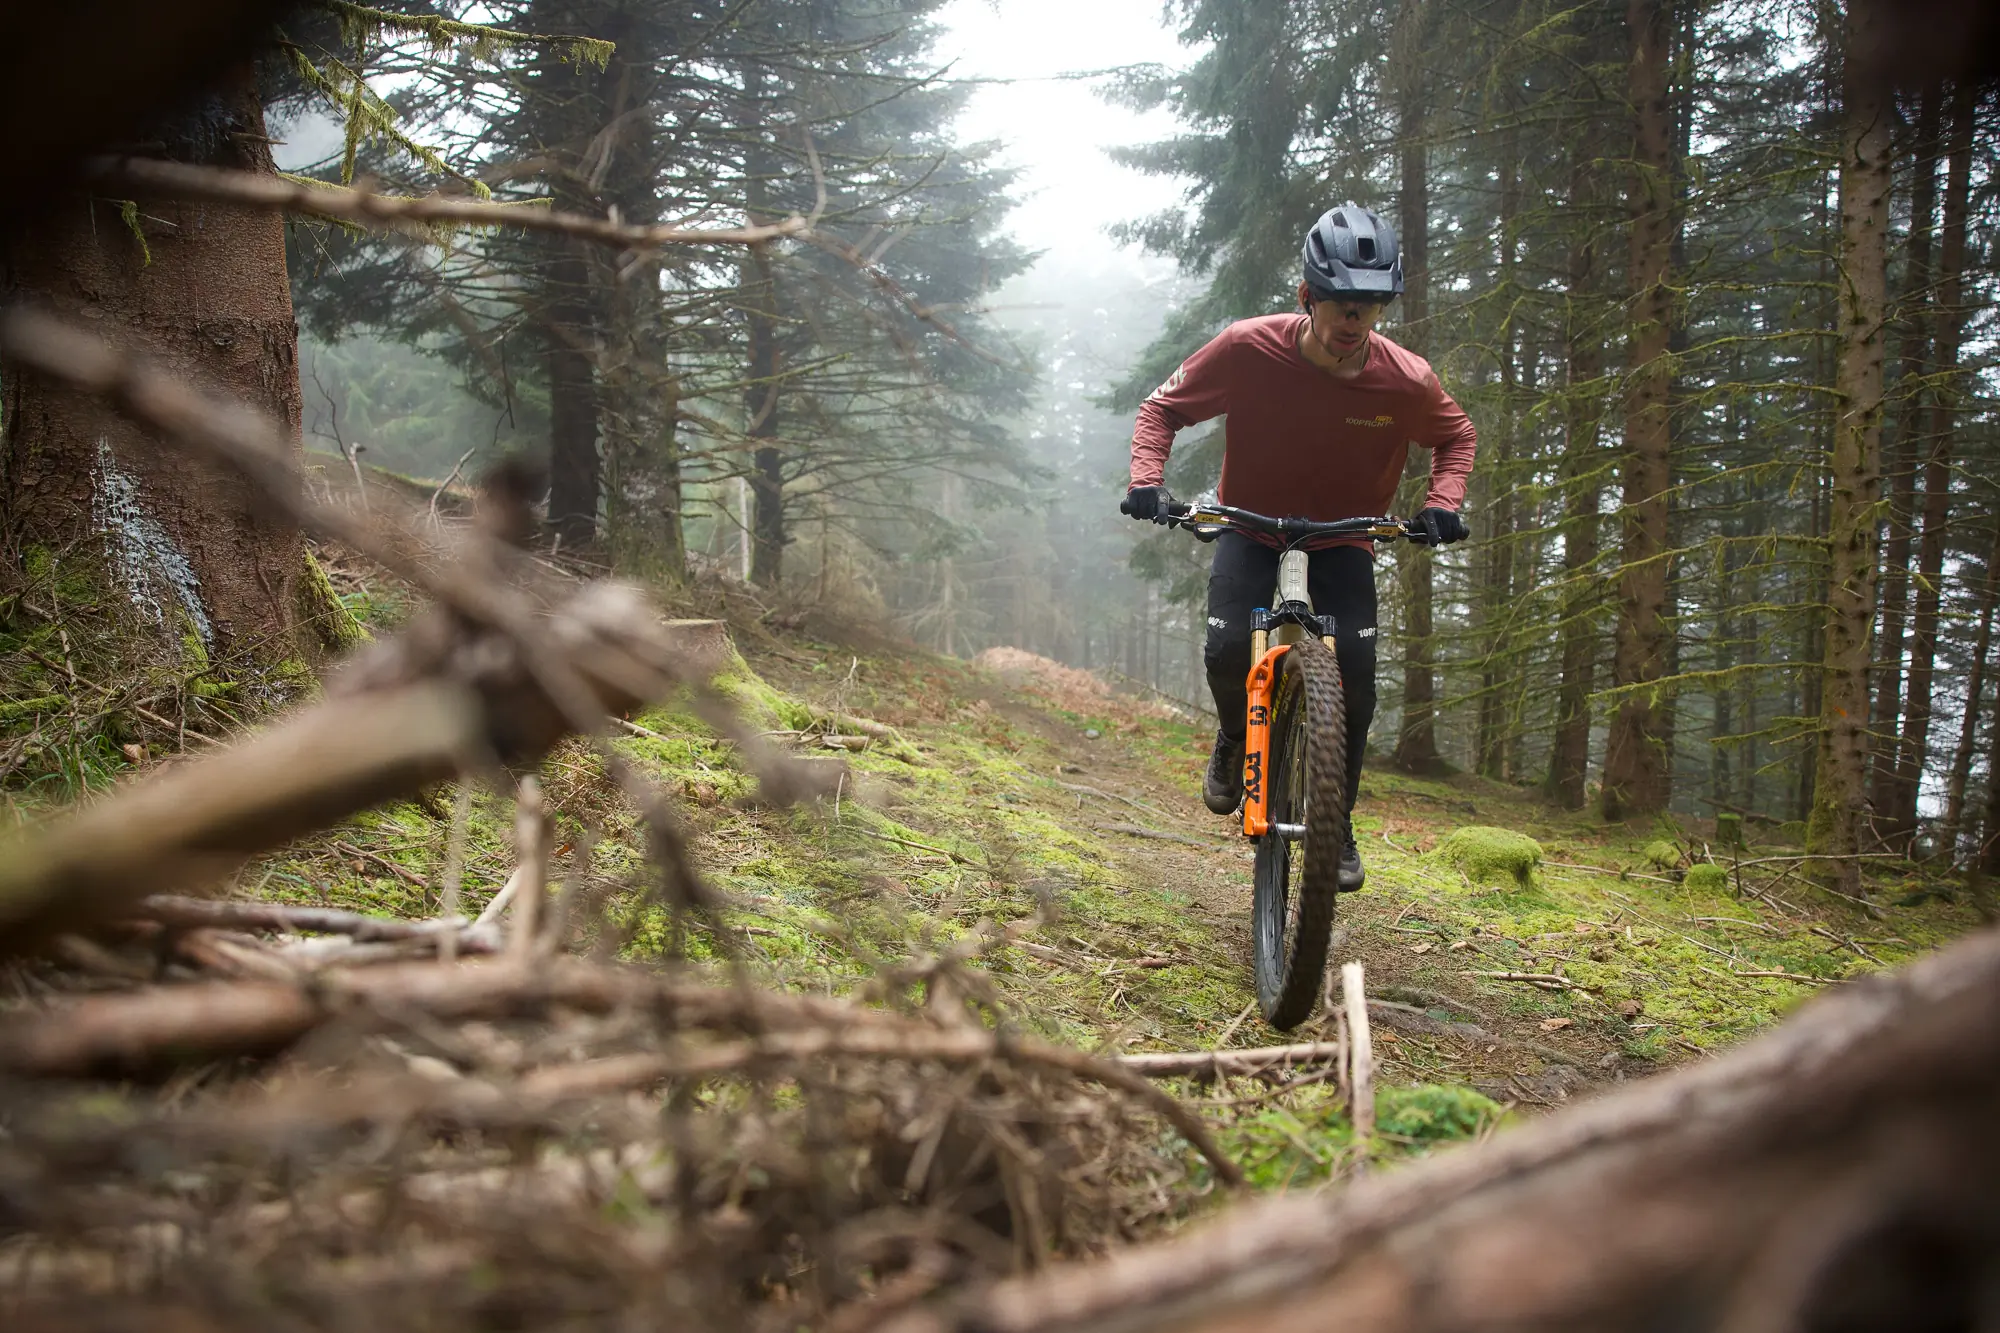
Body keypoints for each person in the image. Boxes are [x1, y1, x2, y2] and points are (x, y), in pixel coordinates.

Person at [1123, 202, 1477, 891]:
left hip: (1346, 540)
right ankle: (1235, 737)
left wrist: (1443, 504)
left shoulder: (1405, 379)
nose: (1355, 319)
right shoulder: (1247, 348)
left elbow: (1455, 436)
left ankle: (1333, 817)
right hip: (1251, 526)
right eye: (1341, 302)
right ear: (1307, 296)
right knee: (1229, 650)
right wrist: (1146, 481)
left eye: (1370, 305)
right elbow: (1162, 408)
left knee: (1358, 682)